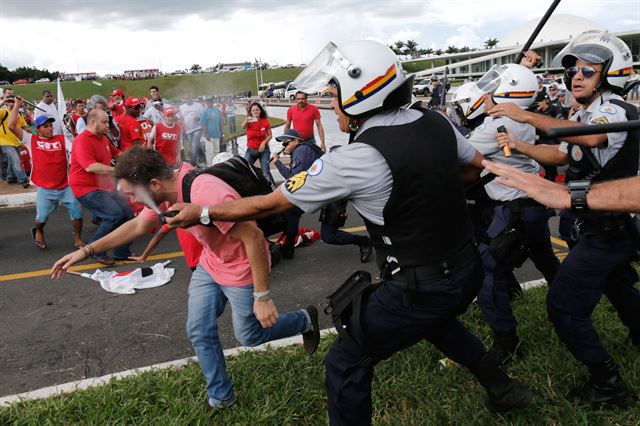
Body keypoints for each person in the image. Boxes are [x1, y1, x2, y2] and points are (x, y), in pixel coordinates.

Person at [165, 40, 532, 424]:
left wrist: (203, 211)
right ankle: (504, 388)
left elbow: (271, 204)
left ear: (362, 92)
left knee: (345, 361)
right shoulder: (434, 120)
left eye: (336, 93)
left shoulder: (356, 157)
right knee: (437, 322)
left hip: (419, 283)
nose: (332, 103)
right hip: (465, 267)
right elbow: (475, 167)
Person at [50, 146, 321, 413]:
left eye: (133, 194)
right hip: (211, 264)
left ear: (154, 184)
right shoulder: (165, 190)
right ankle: (221, 397)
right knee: (199, 329)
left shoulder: (205, 191)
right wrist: (86, 251)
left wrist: (262, 297)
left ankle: (305, 320)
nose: (132, 201)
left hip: (241, 267)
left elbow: (253, 237)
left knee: (249, 335)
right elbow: (139, 226)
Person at [489, 30, 640, 407]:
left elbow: (587, 139)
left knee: (564, 307)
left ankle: (609, 385)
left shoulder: (616, 111)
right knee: (619, 289)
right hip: (603, 227)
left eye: (587, 71)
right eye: (573, 70)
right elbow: (564, 155)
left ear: (610, 74)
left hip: (609, 228)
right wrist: (518, 144)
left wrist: (522, 113)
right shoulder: (587, 113)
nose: (575, 76)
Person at [465, 64, 560, 365]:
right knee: (546, 261)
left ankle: (507, 340)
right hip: (532, 205)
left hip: (514, 209)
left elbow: (459, 152)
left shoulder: (496, 127)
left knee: (487, 270)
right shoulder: (521, 122)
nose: (487, 95)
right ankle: (569, 310)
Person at [8, 96, 84, 249]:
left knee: (77, 213)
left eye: (50, 126)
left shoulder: (62, 139)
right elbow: (11, 126)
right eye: (45, 126)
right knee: (41, 218)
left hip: (65, 186)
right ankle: (39, 231)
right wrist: (17, 104)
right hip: (44, 188)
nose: (49, 129)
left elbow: (76, 150)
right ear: (38, 129)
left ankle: (77, 238)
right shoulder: (31, 140)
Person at [69, 109, 133, 266]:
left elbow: (117, 154)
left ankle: (121, 252)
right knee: (114, 215)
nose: (108, 125)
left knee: (128, 214)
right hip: (86, 188)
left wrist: (138, 156)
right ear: (92, 122)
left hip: (104, 186)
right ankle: (95, 249)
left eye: (108, 122)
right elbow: (90, 167)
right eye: (104, 122)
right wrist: (117, 170)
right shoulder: (82, 140)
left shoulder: (103, 138)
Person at [271, 129, 324, 259]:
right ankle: (288, 248)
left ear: (296, 141)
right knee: (290, 214)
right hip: (315, 189)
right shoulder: (300, 150)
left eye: (286, 143)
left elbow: (293, 178)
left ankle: (288, 248)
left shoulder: (301, 151)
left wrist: (277, 162)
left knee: (330, 235)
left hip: (318, 191)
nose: (284, 147)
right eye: (282, 145)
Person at [0, 95, 30, 187]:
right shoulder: (3, 112)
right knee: (15, 159)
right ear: (6, 103)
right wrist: (2, 101)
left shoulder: (19, 114)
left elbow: (25, 127)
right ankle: (23, 179)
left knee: (13, 160)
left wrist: (28, 131)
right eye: (9, 101)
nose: (12, 103)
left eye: (13, 101)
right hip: (4, 141)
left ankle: (10, 177)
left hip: (17, 141)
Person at [243, 102, 275, 187]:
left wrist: (264, 142)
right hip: (251, 150)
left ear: (260, 111)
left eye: (257, 110)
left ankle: (272, 189)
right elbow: (243, 126)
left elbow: (270, 135)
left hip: (263, 151)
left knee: (265, 171)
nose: (255, 112)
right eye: (253, 110)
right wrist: (247, 119)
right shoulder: (249, 120)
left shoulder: (265, 121)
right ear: (251, 112)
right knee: (244, 169)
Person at [179, 93, 204, 166]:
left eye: (189, 98)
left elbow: (204, 116)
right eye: (186, 98)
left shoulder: (198, 105)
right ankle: (202, 157)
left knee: (193, 144)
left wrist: (199, 118)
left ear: (192, 97)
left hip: (198, 128)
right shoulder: (182, 107)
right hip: (188, 130)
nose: (188, 99)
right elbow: (179, 118)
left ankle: (193, 163)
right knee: (195, 144)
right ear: (184, 99)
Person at [201, 97, 224, 164]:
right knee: (209, 153)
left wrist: (222, 132)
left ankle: (216, 166)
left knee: (217, 151)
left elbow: (220, 122)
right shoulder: (205, 112)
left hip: (217, 134)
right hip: (209, 136)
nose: (210, 102)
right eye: (208, 101)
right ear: (206, 102)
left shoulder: (217, 111)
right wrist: (206, 134)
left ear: (213, 101)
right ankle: (210, 167)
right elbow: (203, 124)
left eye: (211, 101)